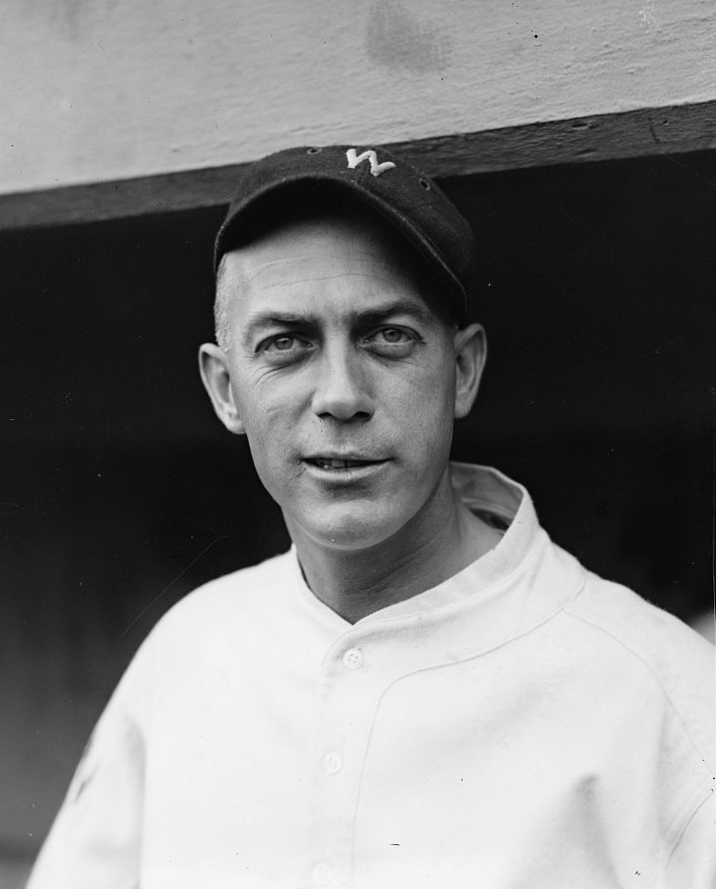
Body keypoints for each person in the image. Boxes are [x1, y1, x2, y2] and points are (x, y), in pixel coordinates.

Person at [28, 145, 715, 888]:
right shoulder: (190, 653)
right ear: (226, 388)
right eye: (286, 344)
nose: (340, 394)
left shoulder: (662, 695)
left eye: (387, 335)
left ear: (463, 370)